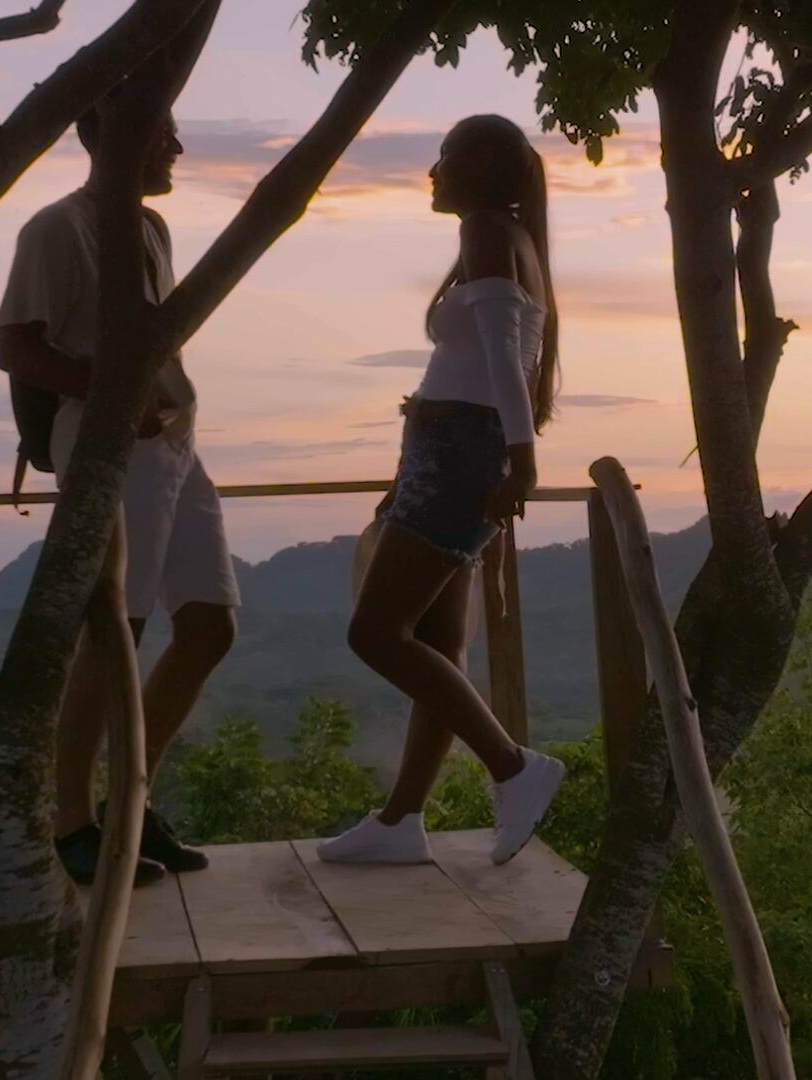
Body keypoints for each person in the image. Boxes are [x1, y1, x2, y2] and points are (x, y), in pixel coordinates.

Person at [0, 93, 238, 886]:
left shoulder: (151, 228)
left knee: (208, 626)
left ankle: (131, 802)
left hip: (175, 445)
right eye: (164, 132)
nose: (177, 147)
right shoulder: (57, 229)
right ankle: (72, 820)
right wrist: (111, 396)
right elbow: (16, 348)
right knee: (114, 636)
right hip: (109, 447)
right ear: (111, 134)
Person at [324, 115, 564, 866]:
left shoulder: (487, 231)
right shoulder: (503, 236)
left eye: (446, 157)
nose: (432, 171)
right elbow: (486, 363)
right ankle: (402, 821)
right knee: (436, 643)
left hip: (463, 454)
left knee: (374, 634)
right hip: (448, 452)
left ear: (481, 168)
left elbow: (504, 360)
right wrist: (414, 464)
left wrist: (521, 463)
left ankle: (514, 767)